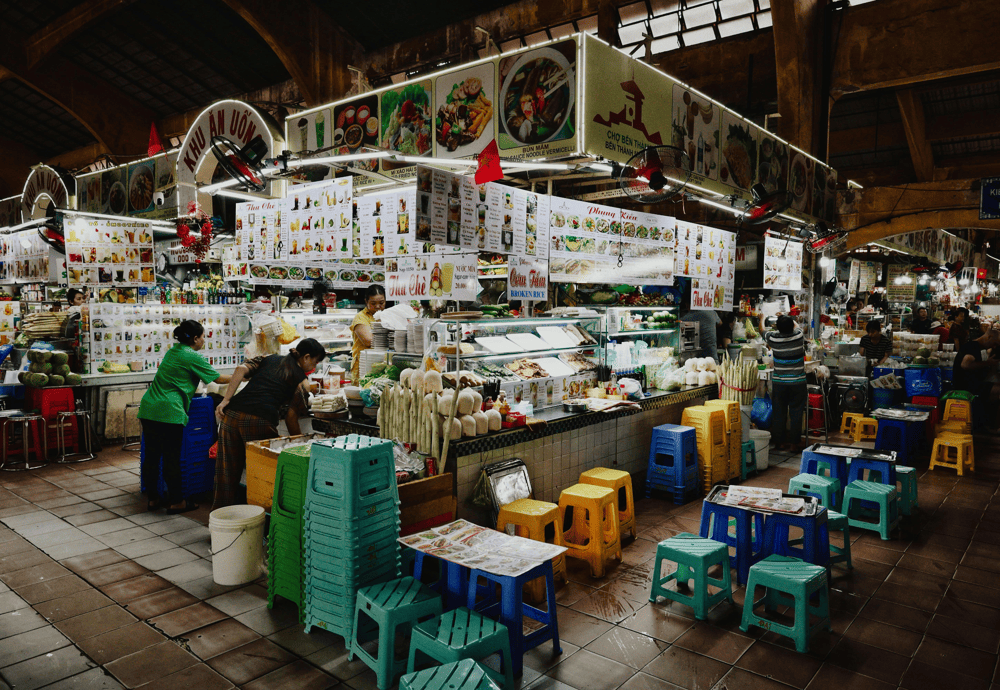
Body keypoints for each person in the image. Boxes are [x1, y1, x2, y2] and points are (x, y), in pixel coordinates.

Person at [213, 338, 328, 509]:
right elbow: (291, 415)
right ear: (306, 357)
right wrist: (298, 443)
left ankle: (220, 521)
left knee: (226, 471)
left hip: (231, 415)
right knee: (264, 472)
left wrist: (226, 400)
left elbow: (240, 369)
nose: (315, 366)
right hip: (258, 420)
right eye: (316, 361)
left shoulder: (269, 358)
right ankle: (263, 515)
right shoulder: (299, 380)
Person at [138, 320, 231, 514]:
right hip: (169, 410)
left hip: (149, 407)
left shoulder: (174, 351)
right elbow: (218, 379)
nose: (204, 340)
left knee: (152, 457)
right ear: (195, 338)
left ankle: (153, 499)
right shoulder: (191, 356)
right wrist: (244, 374)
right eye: (203, 336)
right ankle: (177, 501)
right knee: (172, 457)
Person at [763, 315, 807, 452]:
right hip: (798, 382)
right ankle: (794, 444)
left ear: (777, 327)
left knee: (779, 412)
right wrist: (786, 318)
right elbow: (796, 325)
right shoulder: (799, 336)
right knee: (796, 412)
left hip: (779, 382)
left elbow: (761, 330)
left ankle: (780, 443)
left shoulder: (773, 338)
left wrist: (761, 318)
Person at [953, 325, 1000, 428]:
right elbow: (965, 364)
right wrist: (988, 363)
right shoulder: (972, 346)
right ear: (988, 337)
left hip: (973, 385)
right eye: (995, 344)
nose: (994, 347)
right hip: (966, 387)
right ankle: (993, 427)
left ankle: (989, 425)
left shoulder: (975, 347)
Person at [350, 285, 386, 384]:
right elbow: (368, 341)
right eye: (373, 303)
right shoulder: (360, 317)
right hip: (363, 366)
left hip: (381, 365)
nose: (378, 306)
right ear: (366, 302)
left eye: (381, 303)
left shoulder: (387, 316)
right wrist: (380, 323)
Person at [679, 289, 721, 361]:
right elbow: (720, 323)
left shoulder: (686, 318)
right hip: (713, 359)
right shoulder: (712, 312)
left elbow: (679, 327)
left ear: (687, 305)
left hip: (697, 362)